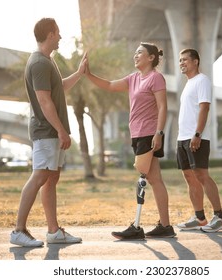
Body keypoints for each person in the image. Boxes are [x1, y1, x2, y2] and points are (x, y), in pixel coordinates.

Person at [85, 42, 176, 240]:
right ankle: (166, 226)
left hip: (148, 133)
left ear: (151, 58)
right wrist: (88, 74)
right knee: (154, 179)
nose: (135, 56)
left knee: (144, 178)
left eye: (139, 53)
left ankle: (136, 226)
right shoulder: (133, 78)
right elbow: (109, 85)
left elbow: (162, 107)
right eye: (135, 53)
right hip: (137, 134)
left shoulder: (155, 78)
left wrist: (159, 133)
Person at [10, 18, 87, 247]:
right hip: (46, 131)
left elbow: (59, 88)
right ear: (51, 34)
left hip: (51, 131)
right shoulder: (39, 63)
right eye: (58, 33)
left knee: (51, 179)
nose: (61, 37)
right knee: (40, 176)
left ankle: (53, 231)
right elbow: (44, 101)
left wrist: (79, 73)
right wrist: (62, 131)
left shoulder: (47, 61)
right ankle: (18, 230)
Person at [176, 48, 222, 233]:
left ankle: (220, 217)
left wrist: (197, 134)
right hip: (182, 137)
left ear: (196, 61)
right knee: (190, 178)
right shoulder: (188, 83)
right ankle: (199, 218)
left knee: (202, 176)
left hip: (196, 137)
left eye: (185, 60)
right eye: (180, 60)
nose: (181, 63)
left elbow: (204, 108)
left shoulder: (202, 80)